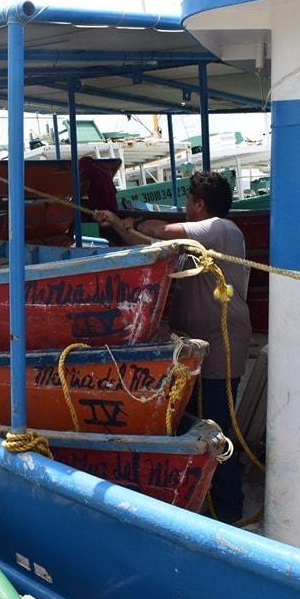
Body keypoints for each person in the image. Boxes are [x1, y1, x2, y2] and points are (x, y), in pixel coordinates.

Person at [95, 171, 252, 523]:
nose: (185, 207)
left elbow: (155, 230)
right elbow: (141, 243)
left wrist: (126, 219)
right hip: (192, 350)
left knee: (217, 428)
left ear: (199, 204)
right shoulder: (188, 248)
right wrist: (115, 226)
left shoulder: (220, 229)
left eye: (188, 201)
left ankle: (229, 510)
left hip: (222, 346)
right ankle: (203, 497)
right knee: (194, 423)